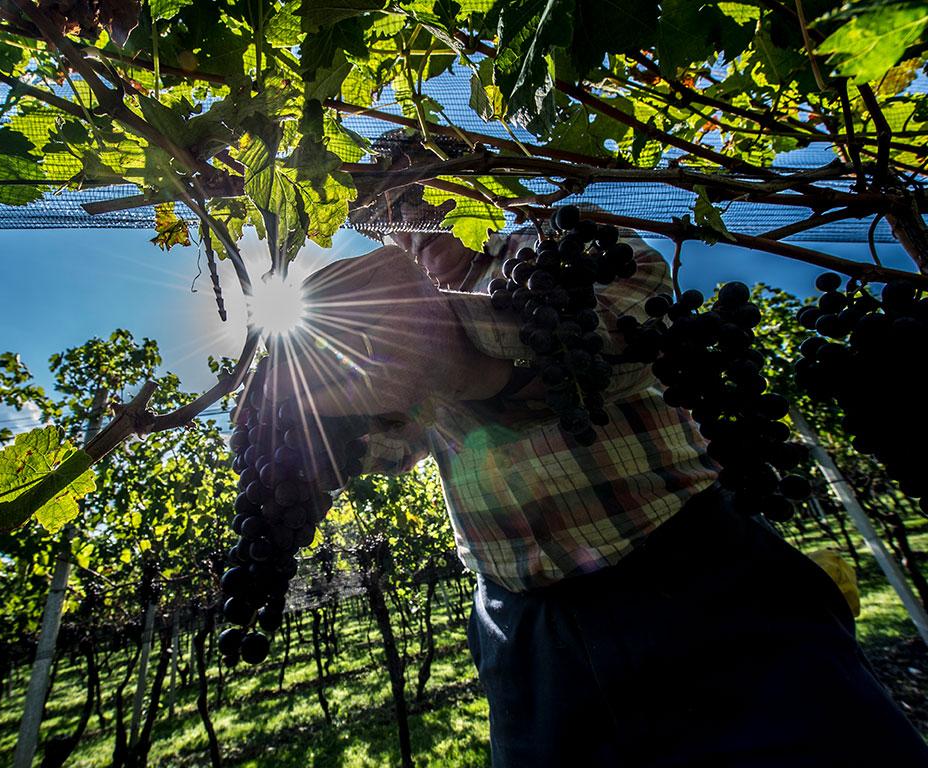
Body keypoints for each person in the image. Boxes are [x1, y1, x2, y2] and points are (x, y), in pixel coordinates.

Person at [267, 134, 928, 766]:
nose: (406, 229)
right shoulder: (402, 313)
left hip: (693, 572)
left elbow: (623, 332)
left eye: (415, 200)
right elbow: (397, 444)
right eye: (387, 222)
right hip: (523, 624)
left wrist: (459, 348)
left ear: (470, 183)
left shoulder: (560, 240)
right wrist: (333, 406)